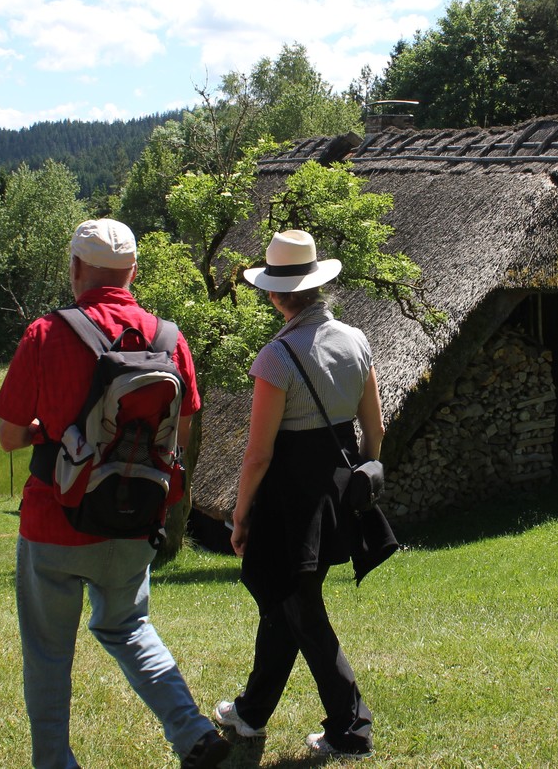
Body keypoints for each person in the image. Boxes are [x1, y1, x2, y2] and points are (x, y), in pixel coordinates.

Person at [0, 218, 230, 769]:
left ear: (76, 268)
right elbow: (180, 437)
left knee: (48, 653)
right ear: (134, 272)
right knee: (127, 626)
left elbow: (8, 436)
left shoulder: (45, 334)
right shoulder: (169, 340)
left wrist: (44, 431)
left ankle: (55, 762)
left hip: (55, 521)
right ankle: (193, 732)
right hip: (133, 519)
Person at [212, 229, 396, 759]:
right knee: (286, 603)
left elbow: (258, 454)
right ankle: (250, 713)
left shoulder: (277, 357)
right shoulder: (356, 341)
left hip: (289, 505)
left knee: (302, 612)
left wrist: (240, 516)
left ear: (275, 295)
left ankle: (351, 729)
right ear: (317, 285)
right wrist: (358, 484)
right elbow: (375, 430)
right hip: (337, 495)